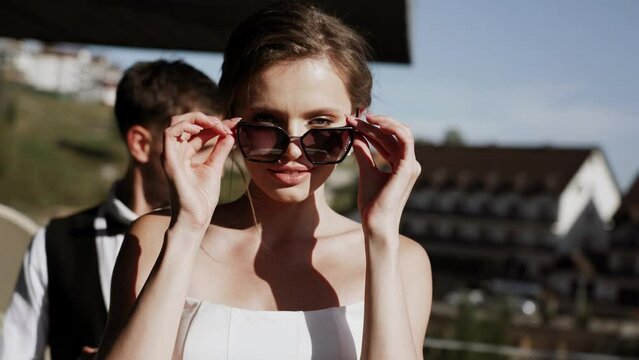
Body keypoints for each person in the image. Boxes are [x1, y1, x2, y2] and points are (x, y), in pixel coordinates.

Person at [98, 2, 432, 359]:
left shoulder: (403, 262)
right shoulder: (154, 237)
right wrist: (187, 230)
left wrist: (380, 237)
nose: (292, 150)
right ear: (230, 120)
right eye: (266, 123)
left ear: (358, 125)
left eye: (320, 125)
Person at [0, 59, 221, 360]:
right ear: (141, 144)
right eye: (200, 148)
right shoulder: (54, 244)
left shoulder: (224, 243)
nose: (215, 167)